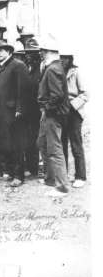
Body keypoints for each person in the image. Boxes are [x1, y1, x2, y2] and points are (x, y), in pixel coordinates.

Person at [0, 40, 30, 188]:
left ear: (9, 51)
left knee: (16, 145)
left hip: (14, 113)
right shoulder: (1, 67)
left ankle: (19, 176)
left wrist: (20, 109)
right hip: (2, 113)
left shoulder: (17, 65)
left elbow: (23, 90)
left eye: (1, 50)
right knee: (7, 144)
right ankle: (12, 172)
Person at [37, 36, 71, 197]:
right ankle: (52, 180)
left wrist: (46, 108)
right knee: (44, 144)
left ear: (48, 52)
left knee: (55, 149)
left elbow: (57, 95)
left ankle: (62, 187)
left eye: (42, 51)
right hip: (51, 114)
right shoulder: (55, 67)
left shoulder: (52, 69)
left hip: (53, 115)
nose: (41, 54)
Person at [60, 49, 88, 188]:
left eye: (65, 58)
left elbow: (85, 94)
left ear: (70, 59)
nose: (62, 60)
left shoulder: (76, 72)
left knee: (76, 144)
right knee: (61, 143)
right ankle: (63, 175)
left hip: (73, 112)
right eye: (60, 57)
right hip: (60, 111)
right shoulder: (56, 71)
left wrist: (73, 105)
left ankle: (80, 176)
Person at [22, 41, 42, 179]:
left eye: (30, 53)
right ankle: (31, 166)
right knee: (28, 139)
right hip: (27, 110)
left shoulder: (41, 69)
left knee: (38, 139)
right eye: (26, 53)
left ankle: (39, 168)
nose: (28, 56)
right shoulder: (26, 68)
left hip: (38, 110)